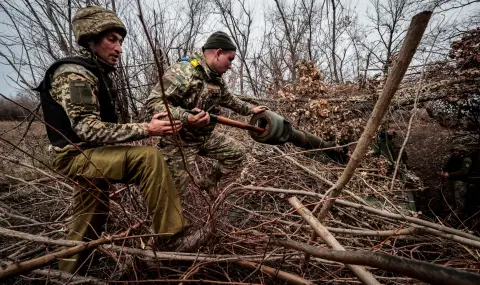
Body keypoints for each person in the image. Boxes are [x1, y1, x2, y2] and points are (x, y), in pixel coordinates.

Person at [34, 6, 187, 273]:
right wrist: (146, 129)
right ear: (91, 39)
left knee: (89, 218)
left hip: (89, 155)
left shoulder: (95, 71)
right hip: (76, 155)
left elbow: (102, 127)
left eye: (121, 41)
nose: (119, 48)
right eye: (111, 40)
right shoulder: (75, 74)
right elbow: (87, 129)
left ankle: (65, 273)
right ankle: (172, 239)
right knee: (148, 158)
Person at [146, 31, 268, 194]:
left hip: (203, 137)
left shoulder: (215, 77)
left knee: (238, 153)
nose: (231, 65)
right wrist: (186, 117)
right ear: (218, 53)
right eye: (230, 59)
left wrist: (249, 109)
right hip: (179, 142)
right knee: (172, 195)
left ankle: (208, 181)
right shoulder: (185, 71)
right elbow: (154, 103)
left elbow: (228, 99)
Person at [441, 145, 472, 217]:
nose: (455, 152)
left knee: (459, 197)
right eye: (454, 150)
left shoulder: (466, 160)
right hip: (450, 180)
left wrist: (449, 174)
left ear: (461, 152)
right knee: (449, 196)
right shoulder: (453, 158)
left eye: (457, 151)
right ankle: (451, 211)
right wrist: (443, 172)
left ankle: (459, 214)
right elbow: (447, 166)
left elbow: (463, 171)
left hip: (460, 182)